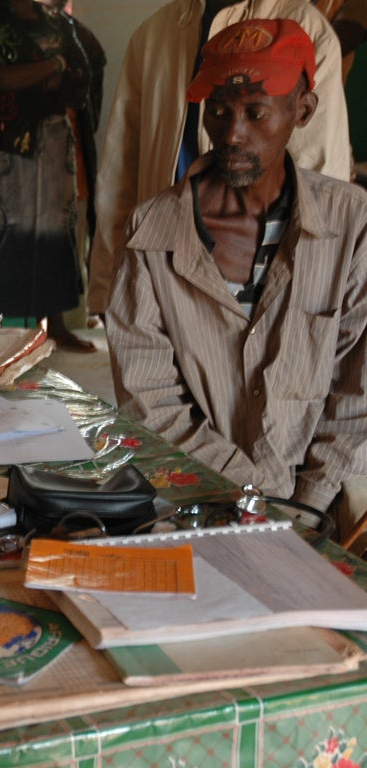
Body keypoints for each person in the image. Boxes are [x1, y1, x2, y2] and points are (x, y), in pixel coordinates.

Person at [106, 19, 367, 517]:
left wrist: (307, 506)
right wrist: (254, 495)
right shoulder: (153, 230)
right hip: (196, 499)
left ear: (303, 110)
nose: (232, 133)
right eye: (219, 111)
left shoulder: (352, 224)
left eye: (255, 112)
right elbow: (149, 400)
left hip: (314, 507)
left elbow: (357, 395)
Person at [87, 0, 351, 317]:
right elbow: (120, 174)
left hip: (260, 290)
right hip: (160, 277)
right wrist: (108, 290)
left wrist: (300, 311)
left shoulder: (308, 29)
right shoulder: (154, 33)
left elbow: (318, 181)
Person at [0, 0, 105, 352]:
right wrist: (54, 66)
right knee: (1, 233)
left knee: (55, 233)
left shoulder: (59, 23)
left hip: (55, 140)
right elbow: (1, 78)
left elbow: (82, 76)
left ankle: (55, 326)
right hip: (6, 143)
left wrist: (31, 74)